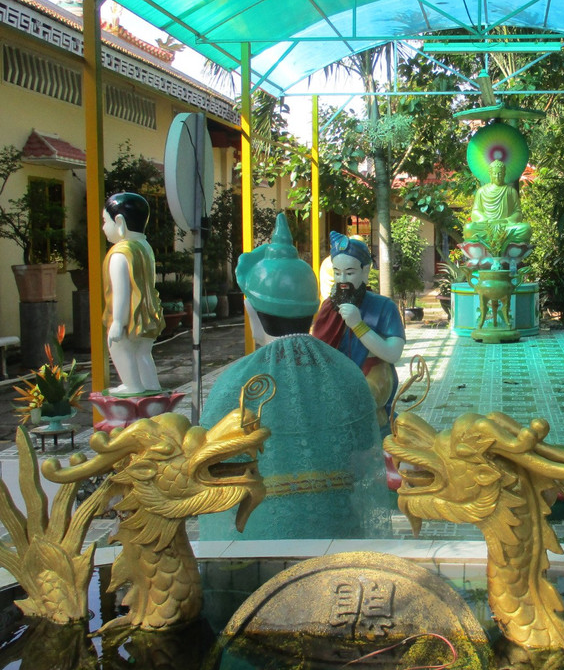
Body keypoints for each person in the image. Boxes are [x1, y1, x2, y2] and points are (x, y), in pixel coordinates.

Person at [198, 214, 391, 541]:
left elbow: (210, 469)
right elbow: (364, 452)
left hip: (258, 539)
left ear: (251, 312)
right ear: (313, 309)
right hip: (338, 529)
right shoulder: (345, 373)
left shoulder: (235, 384)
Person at [312, 232, 405, 434]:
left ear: (365, 271)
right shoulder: (329, 307)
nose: (342, 280)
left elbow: (393, 354)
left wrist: (358, 325)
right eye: (337, 273)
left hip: (372, 378)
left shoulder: (384, 307)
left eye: (350, 273)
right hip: (336, 378)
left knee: (360, 404)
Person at [102, 192, 165, 395]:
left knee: (119, 348)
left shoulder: (120, 254)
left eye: (105, 221)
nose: (104, 228)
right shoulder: (145, 247)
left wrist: (118, 322)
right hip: (148, 314)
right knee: (143, 353)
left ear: (119, 222)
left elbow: (122, 291)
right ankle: (151, 385)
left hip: (128, 317)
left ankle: (132, 384)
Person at [464, 158, 532, 246]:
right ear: (490, 174)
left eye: (500, 173)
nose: (497, 176)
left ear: (504, 174)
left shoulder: (510, 191)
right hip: (487, 227)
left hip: (506, 227)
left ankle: (498, 239)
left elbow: (517, 212)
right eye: (495, 173)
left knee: (526, 228)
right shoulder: (481, 191)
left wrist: (507, 220)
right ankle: (496, 238)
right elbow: (475, 211)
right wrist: (486, 220)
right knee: (469, 228)